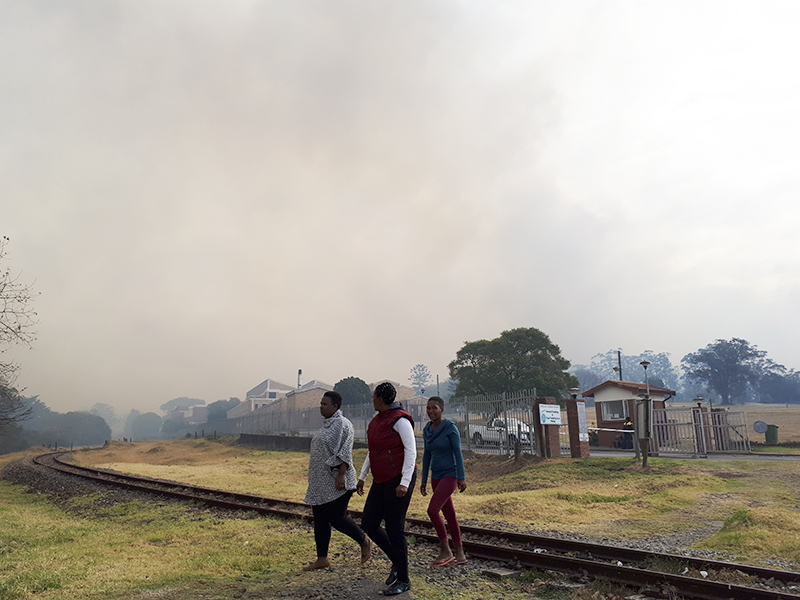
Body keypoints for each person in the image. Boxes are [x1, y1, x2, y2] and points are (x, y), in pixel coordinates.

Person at [357, 382, 417, 596]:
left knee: (394, 528)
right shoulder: (376, 421)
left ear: (380, 399)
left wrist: (405, 482)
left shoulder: (400, 420)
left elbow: (411, 451)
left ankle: (403, 579)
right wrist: (363, 476)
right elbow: (373, 451)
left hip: (399, 478)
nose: (372, 400)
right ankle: (397, 561)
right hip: (381, 479)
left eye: (373, 397)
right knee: (369, 523)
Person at [303, 391, 372, 571]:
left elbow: (345, 450)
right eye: (320, 403)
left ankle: (364, 541)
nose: (321, 406)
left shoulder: (343, 424)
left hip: (338, 480)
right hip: (321, 483)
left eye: (325, 404)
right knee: (320, 518)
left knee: (336, 517)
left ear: (335, 406)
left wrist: (342, 473)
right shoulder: (326, 425)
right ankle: (322, 558)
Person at [420, 396, 467, 566]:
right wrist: (424, 479)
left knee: (432, 511)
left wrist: (461, 477)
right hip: (436, 477)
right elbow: (427, 456)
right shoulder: (427, 430)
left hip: (450, 475)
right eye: (428, 408)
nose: (431, 411)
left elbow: (458, 453)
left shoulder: (450, 428)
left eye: (434, 408)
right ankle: (460, 554)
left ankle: (445, 550)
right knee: (450, 515)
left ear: (442, 409)